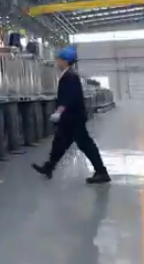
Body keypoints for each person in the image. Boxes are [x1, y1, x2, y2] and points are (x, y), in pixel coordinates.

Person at [32, 46, 111, 184]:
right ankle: (49, 167)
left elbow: (69, 97)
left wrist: (59, 112)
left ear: (65, 61)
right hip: (70, 118)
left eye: (59, 59)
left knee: (85, 144)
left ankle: (101, 172)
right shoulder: (69, 75)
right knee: (60, 142)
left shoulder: (70, 77)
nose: (57, 62)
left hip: (74, 118)